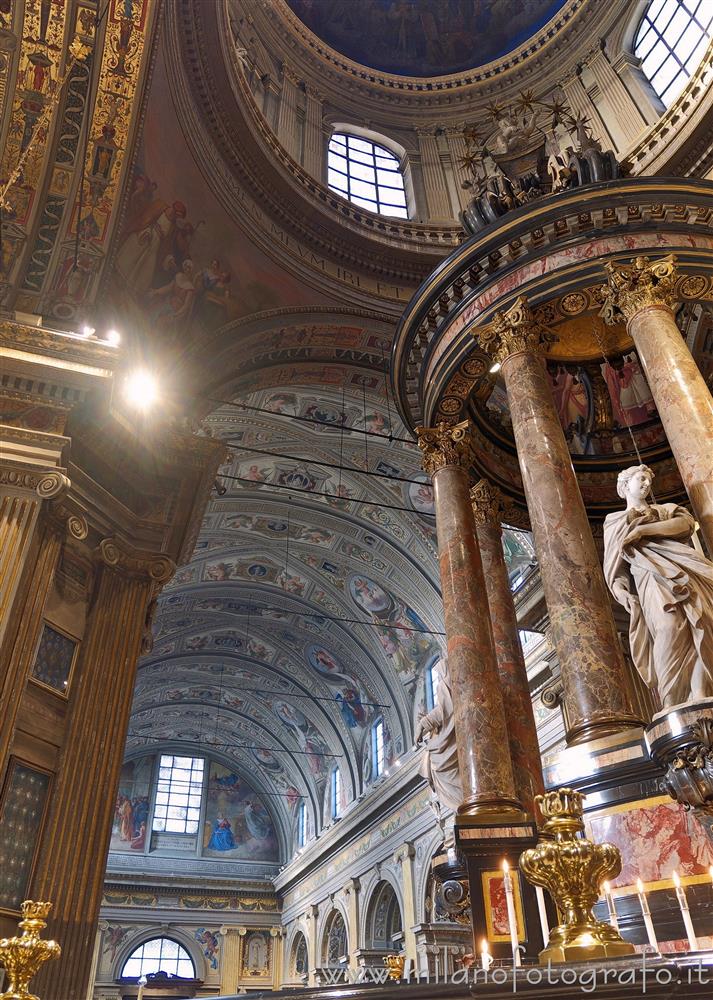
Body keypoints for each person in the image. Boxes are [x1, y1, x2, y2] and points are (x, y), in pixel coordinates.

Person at [603, 465, 713, 707]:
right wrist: (622, 594)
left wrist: (643, 530)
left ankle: (701, 694)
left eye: (649, 481)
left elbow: (685, 525)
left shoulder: (666, 510)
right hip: (650, 576)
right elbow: (614, 567)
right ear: (625, 485)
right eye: (641, 479)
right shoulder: (615, 521)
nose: (646, 484)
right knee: (668, 627)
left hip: (686, 569)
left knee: (700, 621)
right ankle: (672, 702)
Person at [415, 660, 462, 843]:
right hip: (448, 744)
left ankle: (463, 809)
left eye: (442, 672)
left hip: (452, 745)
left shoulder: (451, 686)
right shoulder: (449, 686)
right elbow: (445, 710)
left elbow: (447, 710)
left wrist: (423, 723)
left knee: (455, 786)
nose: (442, 677)